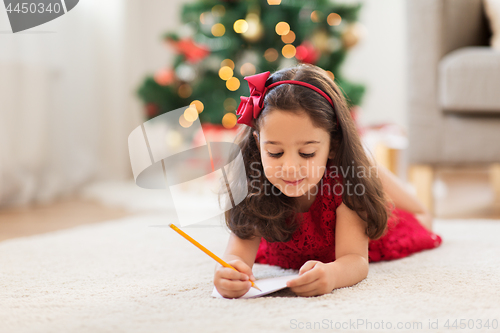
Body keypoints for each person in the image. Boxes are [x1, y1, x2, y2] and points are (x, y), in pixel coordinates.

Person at [213, 63, 442, 298]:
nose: (290, 168)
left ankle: (374, 175)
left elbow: (355, 260)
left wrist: (332, 274)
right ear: (258, 142)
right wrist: (228, 271)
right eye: (275, 153)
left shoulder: (345, 187)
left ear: (332, 145)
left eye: (307, 153)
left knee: (420, 219)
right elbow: (235, 256)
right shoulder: (255, 185)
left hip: (377, 230)